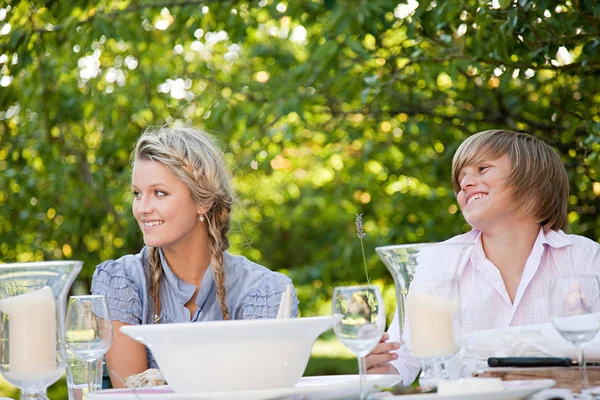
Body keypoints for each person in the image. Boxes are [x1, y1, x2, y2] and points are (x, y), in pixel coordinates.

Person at [366, 129, 600, 384]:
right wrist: (379, 367)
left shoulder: (583, 257)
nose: (465, 183)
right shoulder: (439, 261)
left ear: (534, 182)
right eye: (460, 178)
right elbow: (403, 362)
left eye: (482, 168)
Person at [91, 126, 299, 387]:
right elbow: (132, 394)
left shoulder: (264, 291)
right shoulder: (121, 281)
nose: (142, 208)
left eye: (159, 193)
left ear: (203, 201)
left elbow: (262, 390)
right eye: (137, 193)